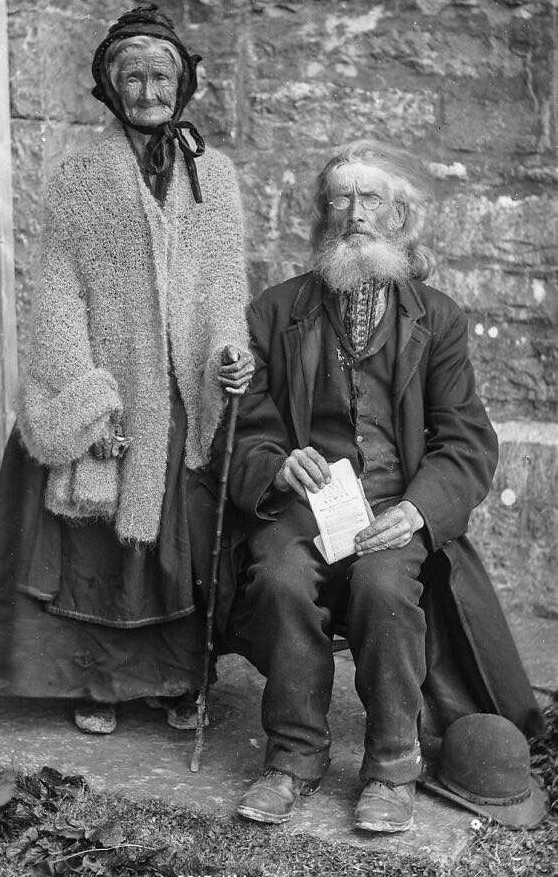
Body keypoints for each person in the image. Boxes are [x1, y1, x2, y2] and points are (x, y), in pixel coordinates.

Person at [225, 139, 544, 832]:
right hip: (304, 506)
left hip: (395, 505)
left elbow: (465, 440)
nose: (355, 213)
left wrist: (418, 511)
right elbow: (246, 428)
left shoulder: (438, 318)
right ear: (322, 214)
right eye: (340, 198)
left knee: (382, 587)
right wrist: (278, 462)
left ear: (401, 215)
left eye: (372, 198)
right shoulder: (276, 312)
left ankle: (392, 767)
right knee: (277, 577)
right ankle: (294, 757)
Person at [0, 4, 253, 736]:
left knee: (177, 544)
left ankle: (180, 681)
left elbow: (225, 286)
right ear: (109, 87)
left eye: (160, 75)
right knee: (96, 545)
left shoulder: (214, 178)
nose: (146, 89)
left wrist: (228, 354)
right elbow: (57, 293)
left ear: (183, 83)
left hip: (180, 395)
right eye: (131, 76)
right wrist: (89, 401)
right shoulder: (79, 178)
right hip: (111, 388)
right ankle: (97, 683)